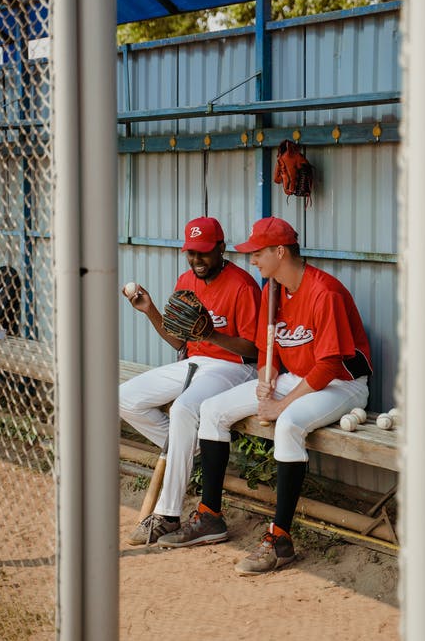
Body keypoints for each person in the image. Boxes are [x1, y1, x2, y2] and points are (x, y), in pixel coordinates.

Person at [157, 216, 372, 576]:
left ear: (280, 251)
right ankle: (211, 517)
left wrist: (279, 404)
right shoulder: (272, 290)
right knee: (211, 409)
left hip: (342, 384)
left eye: (257, 253)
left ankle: (281, 539)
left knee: (288, 424)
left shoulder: (325, 292)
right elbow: (264, 350)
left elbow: (330, 365)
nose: (252, 260)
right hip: (295, 378)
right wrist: (265, 378)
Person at [119, 216, 261, 545]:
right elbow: (180, 342)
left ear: (221, 249)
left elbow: (253, 350)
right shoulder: (186, 279)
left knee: (184, 408)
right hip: (196, 361)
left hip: (235, 367)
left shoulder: (243, 285)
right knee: (125, 398)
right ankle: (192, 448)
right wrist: (150, 309)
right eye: (191, 253)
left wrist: (212, 334)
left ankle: (167, 515)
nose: (197, 260)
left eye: (204, 252)